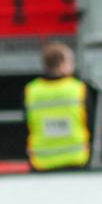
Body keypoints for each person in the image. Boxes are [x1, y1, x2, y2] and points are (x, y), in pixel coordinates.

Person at [24, 41, 90, 172]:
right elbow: (90, 121)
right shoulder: (77, 89)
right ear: (62, 64)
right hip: (75, 158)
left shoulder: (32, 90)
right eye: (71, 61)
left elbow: (26, 123)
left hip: (41, 160)